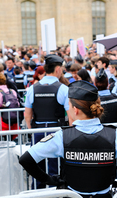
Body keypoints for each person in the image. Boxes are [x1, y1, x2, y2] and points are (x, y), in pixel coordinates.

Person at [24, 54, 70, 189]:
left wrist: (31, 131)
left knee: (37, 166)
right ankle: (54, 193)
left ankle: (38, 195)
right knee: (54, 166)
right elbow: (71, 115)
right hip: (56, 132)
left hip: (38, 131)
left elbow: (27, 115)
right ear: (57, 69)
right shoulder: (63, 89)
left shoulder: (32, 88)